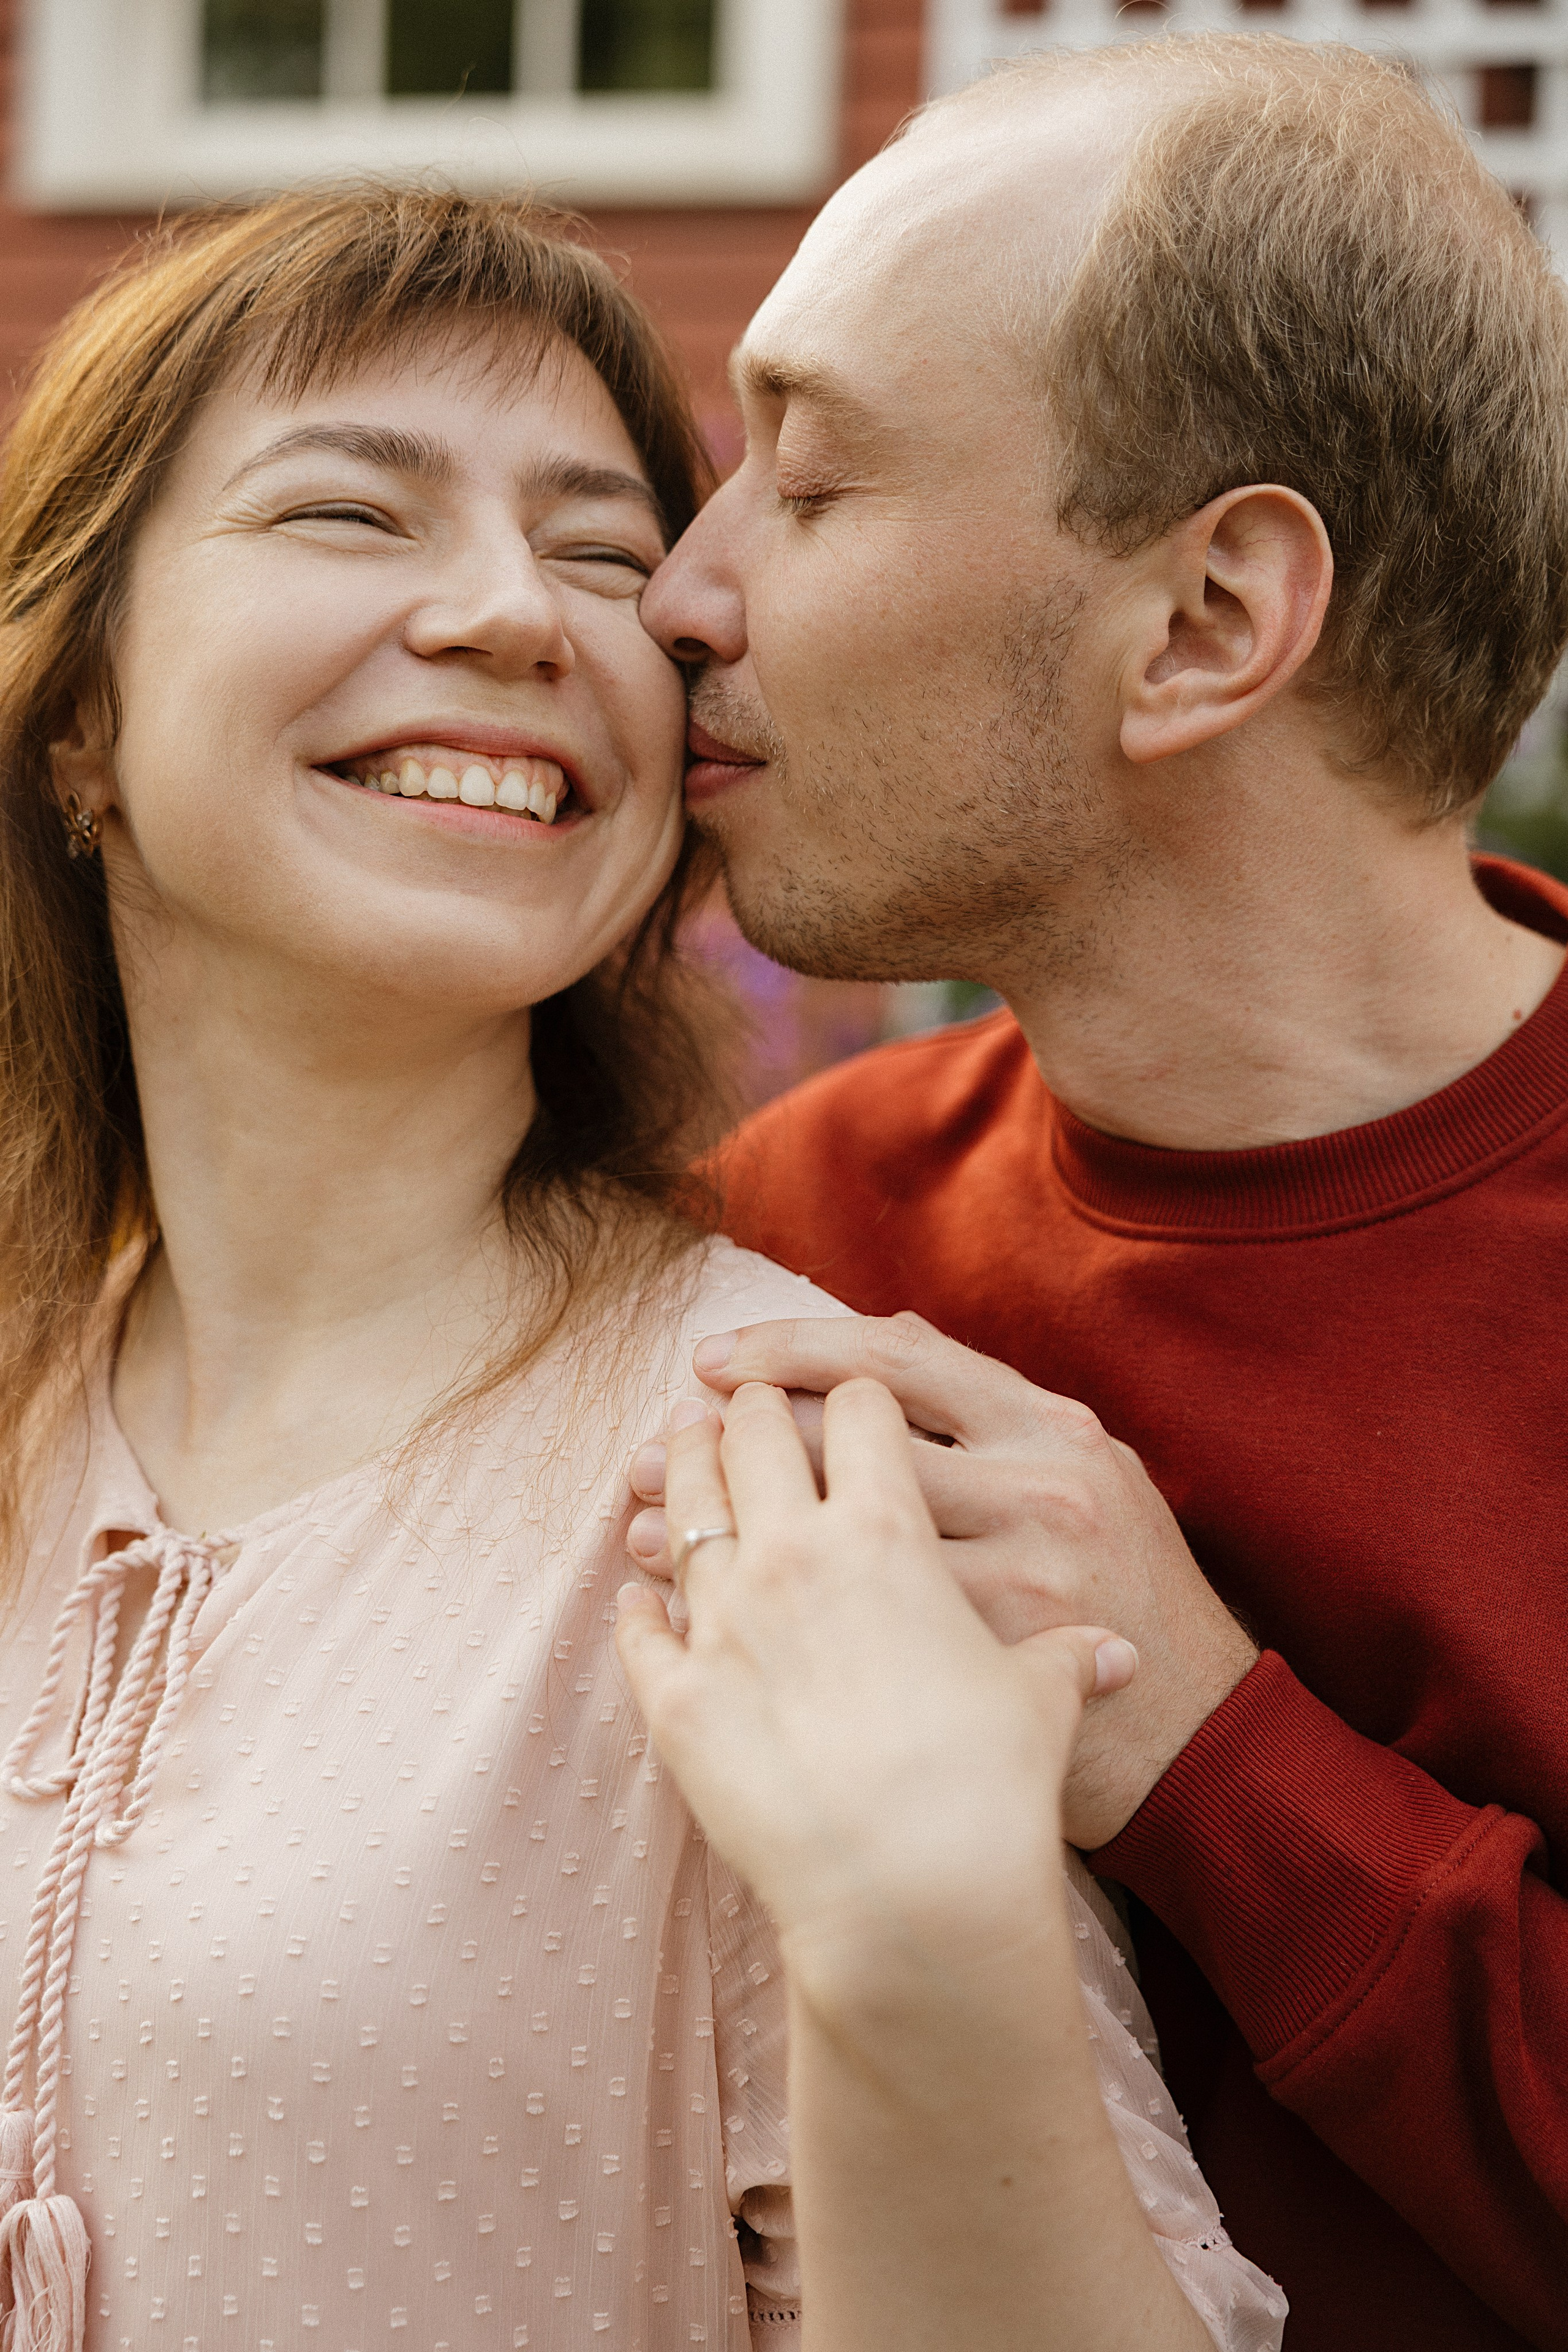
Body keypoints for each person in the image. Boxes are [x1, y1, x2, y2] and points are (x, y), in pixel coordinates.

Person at [0, 185, 1283, 2352]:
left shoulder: (774, 1479)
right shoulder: (35, 1383)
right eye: (352, 513)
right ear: (80, 726)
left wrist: (921, 1931)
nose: (521, 617)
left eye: (605, 554)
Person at [632, 32, 1568, 2352]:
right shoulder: (789, 1230)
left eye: (814, 487)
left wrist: (1207, 1750)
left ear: (1208, 624)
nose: (679, 590)